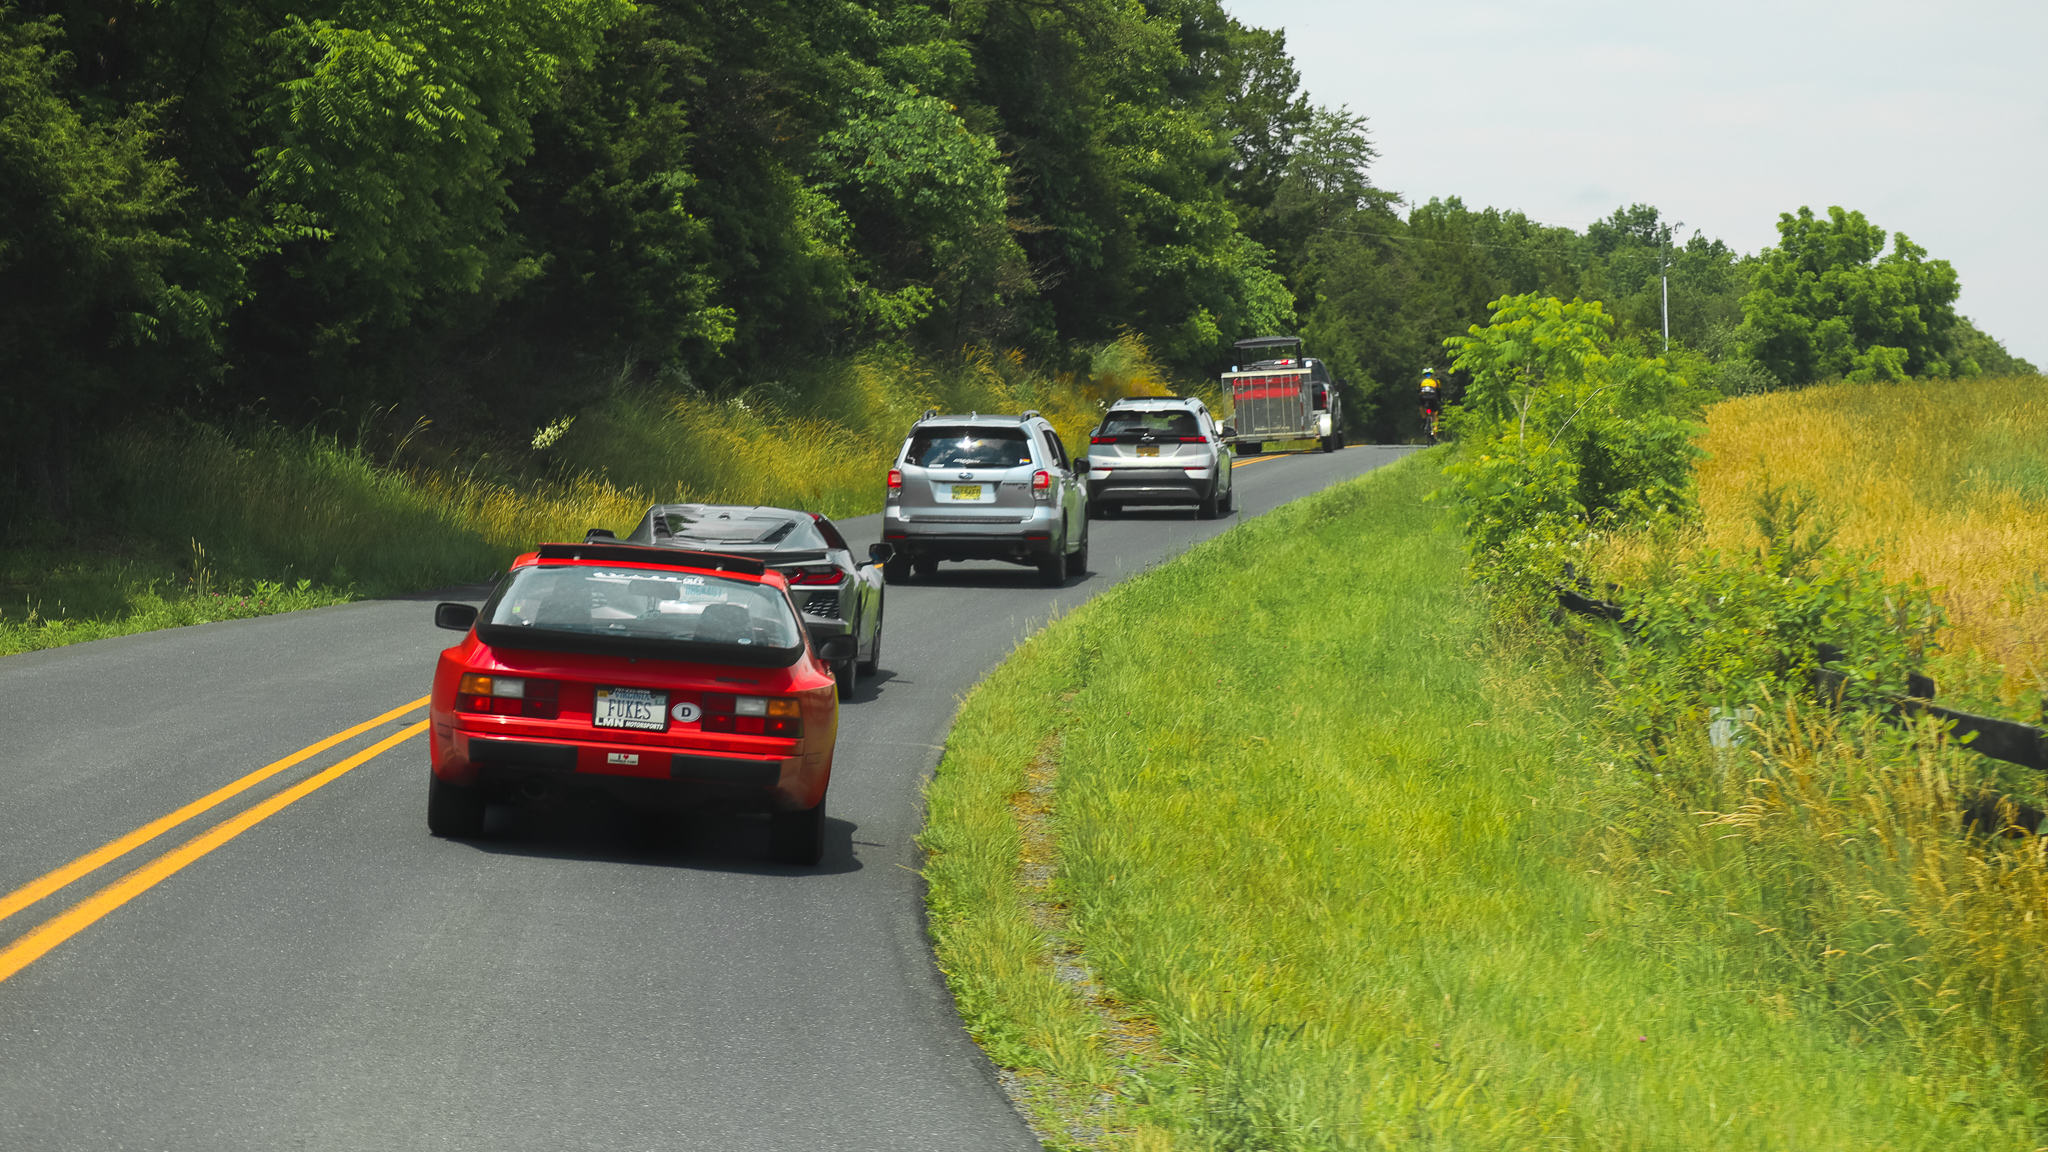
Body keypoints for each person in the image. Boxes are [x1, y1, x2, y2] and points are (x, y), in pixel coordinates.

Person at [1419, 368, 1442, 435]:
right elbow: (1439, 392)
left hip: (1423, 397)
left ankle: (1424, 421)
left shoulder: (1421, 381)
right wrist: (1439, 401)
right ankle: (1435, 429)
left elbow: (1418, 391)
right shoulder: (1436, 381)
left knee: (1422, 408)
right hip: (1433, 397)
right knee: (1434, 413)